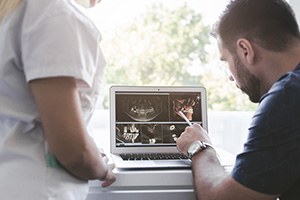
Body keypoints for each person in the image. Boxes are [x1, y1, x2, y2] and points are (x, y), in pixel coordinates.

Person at [176, 0, 300, 199]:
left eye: (226, 61)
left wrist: (199, 146)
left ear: (245, 50)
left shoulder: (288, 96)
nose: (231, 76)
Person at [0, 0, 116, 199]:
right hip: (36, 188)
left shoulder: (14, 12)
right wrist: (102, 169)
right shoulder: (54, 16)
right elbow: (74, 152)